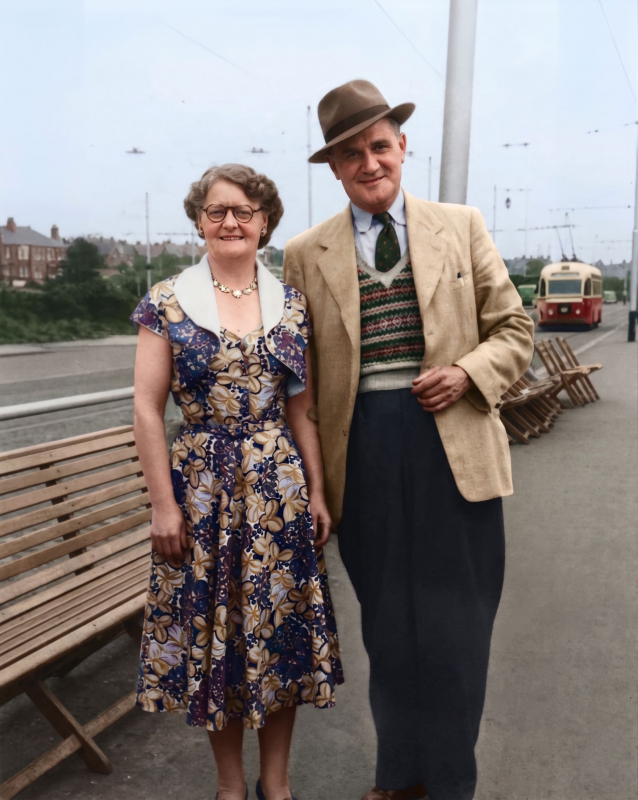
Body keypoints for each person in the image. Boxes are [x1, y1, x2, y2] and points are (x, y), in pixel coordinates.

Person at [283, 80, 535, 800]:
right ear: (334, 167)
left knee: (458, 628)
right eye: (351, 153)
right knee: (389, 632)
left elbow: (515, 330)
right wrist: (314, 485)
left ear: (402, 147)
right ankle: (399, 776)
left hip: (453, 448)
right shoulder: (305, 253)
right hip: (361, 451)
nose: (370, 163)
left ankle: (451, 780)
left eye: (380, 146)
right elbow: (297, 375)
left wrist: (466, 372)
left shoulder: (460, 225)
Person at [131, 163, 343, 800]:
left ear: (265, 224)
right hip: (200, 492)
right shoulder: (167, 302)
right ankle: (229, 786)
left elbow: (301, 408)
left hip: (278, 490)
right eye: (217, 211)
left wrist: (319, 491)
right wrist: (163, 506)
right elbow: (146, 407)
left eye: (243, 212)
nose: (230, 222)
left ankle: (275, 785)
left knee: (278, 637)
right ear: (199, 221)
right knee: (212, 640)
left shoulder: (292, 305)